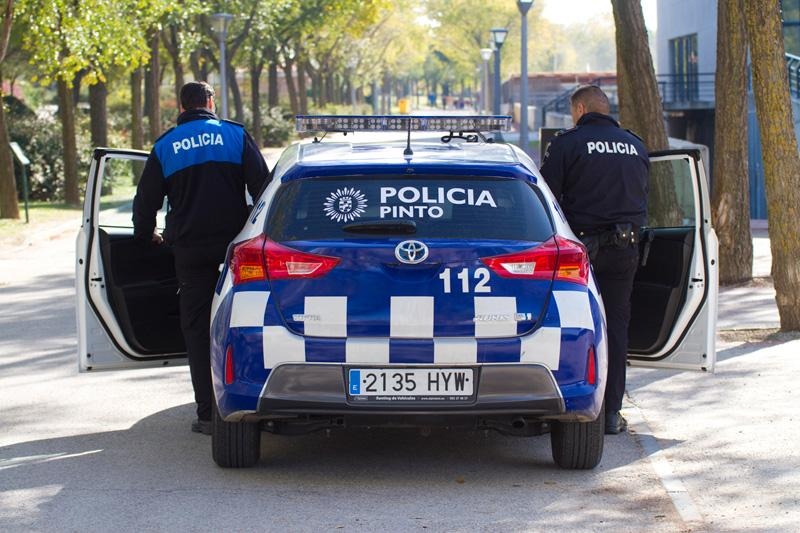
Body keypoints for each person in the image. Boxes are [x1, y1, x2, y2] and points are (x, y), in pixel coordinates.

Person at [133, 81, 269, 435]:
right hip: (235, 246)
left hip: (190, 250)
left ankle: (208, 413)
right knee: (244, 319)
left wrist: (145, 237)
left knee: (196, 328)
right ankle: (250, 399)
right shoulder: (234, 135)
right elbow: (263, 188)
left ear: (181, 107)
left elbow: (145, 202)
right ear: (210, 102)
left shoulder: (165, 146)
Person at [539, 85, 649, 435]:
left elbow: (547, 199)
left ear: (581, 110)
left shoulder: (567, 144)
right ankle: (611, 413)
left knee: (572, 326)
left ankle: (566, 407)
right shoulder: (635, 145)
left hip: (581, 254)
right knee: (616, 327)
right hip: (625, 250)